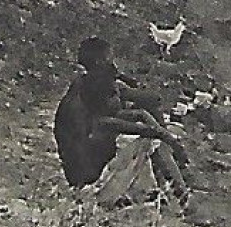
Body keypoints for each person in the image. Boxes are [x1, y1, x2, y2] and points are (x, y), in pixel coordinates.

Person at [53, 35, 190, 207]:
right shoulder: (95, 116)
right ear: (99, 63)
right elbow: (147, 130)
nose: (113, 65)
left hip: (92, 170)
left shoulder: (88, 88)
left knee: (144, 119)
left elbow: (144, 105)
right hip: (90, 187)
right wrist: (173, 144)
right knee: (150, 140)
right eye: (109, 60)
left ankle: (175, 187)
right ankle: (180, 196)